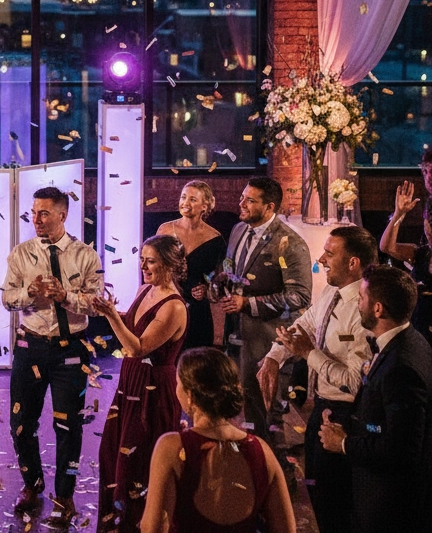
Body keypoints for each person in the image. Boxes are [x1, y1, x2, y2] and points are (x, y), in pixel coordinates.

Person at [257, 226, 377, 533]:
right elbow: (304, 324)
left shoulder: (364, 309)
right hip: (321, 408)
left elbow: (354, 381)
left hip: (347, 418)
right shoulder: (331, 291)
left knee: (337, 505)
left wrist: (309, 354)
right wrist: (274, 356)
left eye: (330, 253)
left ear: (353, 263)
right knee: (318, 493)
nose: (321, 259)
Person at [1, 186, 103, 522]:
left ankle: (64, 495)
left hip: (71, 348)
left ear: (62, 214)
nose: (37, 219)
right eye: (34, 212)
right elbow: (7, 298)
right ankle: (32, 484)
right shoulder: (21, 253)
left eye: (44, 213)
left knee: (69, 425)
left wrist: (66, 296)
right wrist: (30, 292)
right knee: (21, 422)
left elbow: (97, 305)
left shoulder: (86, 255)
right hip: (30, 346)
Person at [318, 264, 432, 532]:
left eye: (361, 299)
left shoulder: (402, 367)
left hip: (388, 506)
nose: (357, 304)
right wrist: (351, 425)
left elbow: (401, 450)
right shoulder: (411, 340)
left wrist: (344, 444)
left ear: (378, 309)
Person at [141, 347, 296, 533]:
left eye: (177, 383)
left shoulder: (171, 447)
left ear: (189, 395)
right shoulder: (262, 451)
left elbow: (152, 529)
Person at [93, 235, 189, 533]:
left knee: (141, 463)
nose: (143, 266)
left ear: (170, 265)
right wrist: (105, 311)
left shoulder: (174, 307)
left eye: (151, 261)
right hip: (129, 381)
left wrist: (111, 316)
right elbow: (133, 324)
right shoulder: (145, 288)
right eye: (142, 258)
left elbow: (137, 347)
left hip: (154, 389)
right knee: (113, 454)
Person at [220, 177, 311, 445]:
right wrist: (220, 280)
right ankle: (253, 461)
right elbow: (229, 264)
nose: (242, 203)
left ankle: (278, 473)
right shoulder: (238, 229)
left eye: (250, 200)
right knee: (245, 402)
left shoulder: (291, 243)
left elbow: (299, 295)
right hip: (237, 334)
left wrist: (248, 304)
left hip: (268, 339)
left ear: (269, 207)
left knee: (268, 412)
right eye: (242, 197)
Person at [156, 182, 226, 350]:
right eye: (183, 197)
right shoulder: (164, 231)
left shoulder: (216, 239)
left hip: (197, 312)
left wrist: (206, 289)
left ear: (205, 206)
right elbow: (150, 268)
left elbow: (219, 280)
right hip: (166, 305)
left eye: (192, 199)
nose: (185, 203)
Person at [379, 150, 432, 349]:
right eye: (425, 171)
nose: (428, 177)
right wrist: (399, 214)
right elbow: (387, 247)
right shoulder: (423, 254)